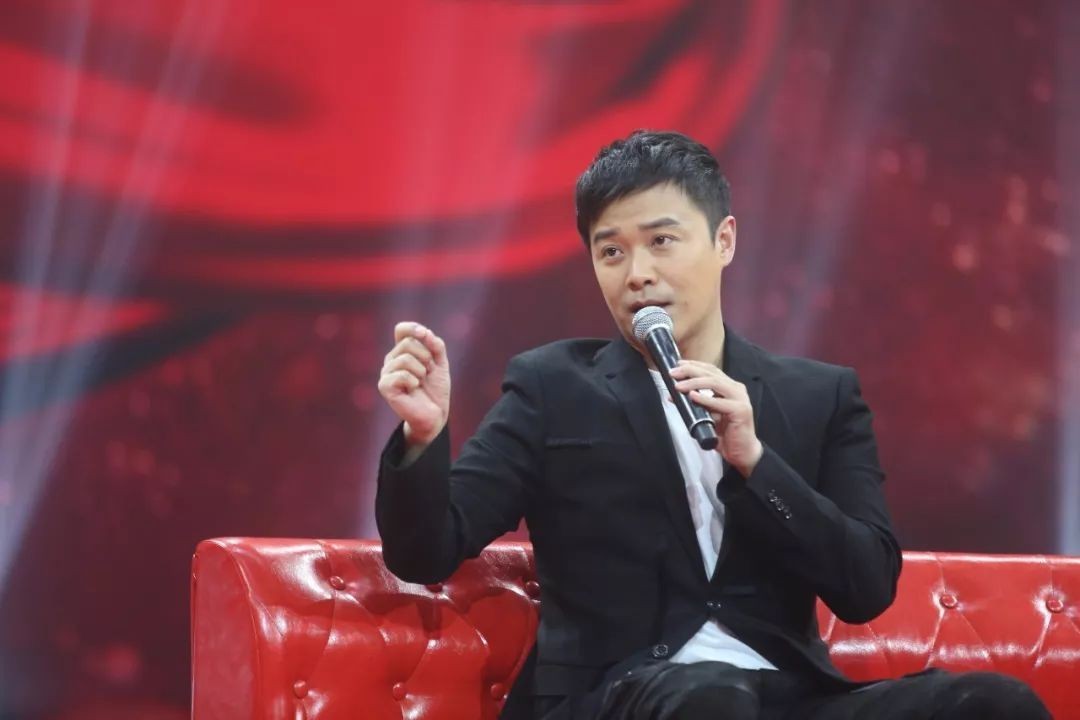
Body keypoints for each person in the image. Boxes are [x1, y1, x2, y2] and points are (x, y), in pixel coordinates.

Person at [375, 131, 1051, 720]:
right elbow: (427, 551)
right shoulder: (552, 386)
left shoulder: (819, 397)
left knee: (992, 703)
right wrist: (422, 437)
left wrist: (756, 461)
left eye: (661, 241)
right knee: (709, 696)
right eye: (611, 253)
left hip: (786, 697)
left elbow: (866, 587)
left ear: (724, 240)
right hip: (619, 698)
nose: (638, 275)